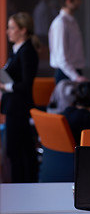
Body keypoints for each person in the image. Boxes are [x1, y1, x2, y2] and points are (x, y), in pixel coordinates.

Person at [0, 12, 39, 183]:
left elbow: (25, 84)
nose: (8, 31)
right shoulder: (17, 50)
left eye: (12, 28)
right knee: (17, 151)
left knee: (18, 152)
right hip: (13, 106)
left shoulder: (27, 52)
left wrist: (5, 86)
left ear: (23, 30)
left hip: (19, 108)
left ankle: (21, 189)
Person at [48, 0, 87, 84]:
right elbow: (61, 58)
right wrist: (75, 77)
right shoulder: (60, 23)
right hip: (66, 74)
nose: (80, 2)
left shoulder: (72, 21)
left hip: (73, 72)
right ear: (68, 1)